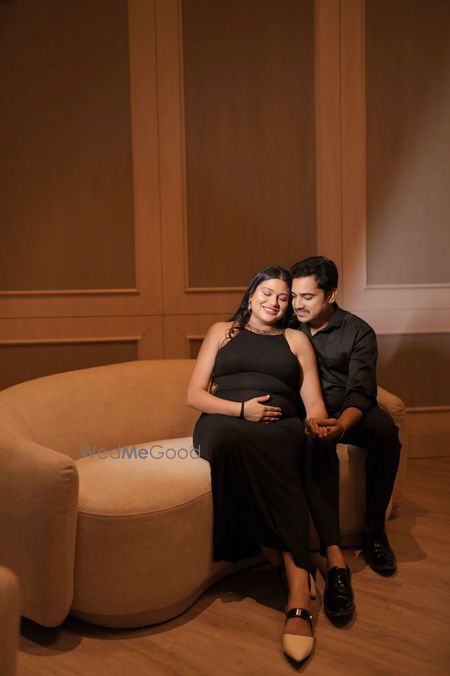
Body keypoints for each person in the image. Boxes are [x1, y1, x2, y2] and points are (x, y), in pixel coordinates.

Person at [187, 265, 331, 663]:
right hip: (223, 421)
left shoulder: (295, 340)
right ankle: (288, 563)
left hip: (279, 425)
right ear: (251, 295)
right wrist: (242, 410)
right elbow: (194, 395)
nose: (274, 302)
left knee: (281, 443)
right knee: (231, 440)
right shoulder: (223, 332)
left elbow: (313, 401)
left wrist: (318, 425)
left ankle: (296, 594)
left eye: (283, 297)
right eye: (267, 293)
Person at [289, 256, 401, 603]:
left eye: (307, 296)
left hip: (347, 411)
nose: (297, 304)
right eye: (294, 295)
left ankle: (374, 532)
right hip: (305, 411)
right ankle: (333, 550)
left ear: (331, 294)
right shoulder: (288, 326)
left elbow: (362, 392)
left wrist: (341, 425)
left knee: (386, 431)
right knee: (315, 442)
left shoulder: (358, 331)